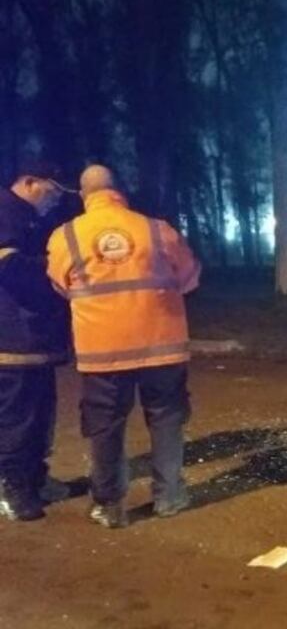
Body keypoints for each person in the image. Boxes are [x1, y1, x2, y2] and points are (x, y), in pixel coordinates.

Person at [47, 164, 200, 528]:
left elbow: (60, 286)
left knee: (105, 428)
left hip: (103, 353)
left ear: (85, 196)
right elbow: (189, 276)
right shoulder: (155, 229)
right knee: (165, 419)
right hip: (162, 346)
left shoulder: (65, 236)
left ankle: (109, 506)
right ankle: (170, 496)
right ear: (119, 192)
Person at [0, 160, 72, 521]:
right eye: (53, 190)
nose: (57, 199)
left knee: (40, 415)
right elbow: (10, 269)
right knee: (18, 418)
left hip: (33, 339)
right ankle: (13, 487)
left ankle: (34, 478)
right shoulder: (5, 212)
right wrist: (55, 276)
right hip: (12, 339)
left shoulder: (24, 216)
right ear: (29, 182)